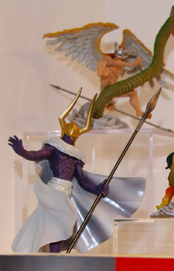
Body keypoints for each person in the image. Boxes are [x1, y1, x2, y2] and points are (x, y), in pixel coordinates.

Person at [8, 91, 109, 253]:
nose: (70, 137)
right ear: (64, 132)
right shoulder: (54, 148)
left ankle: (54, 256)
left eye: (72, 136)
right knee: (60, 222)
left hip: (66, 191)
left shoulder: (75, 156)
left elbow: (82, 180)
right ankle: (53, 255)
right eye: (68, 134)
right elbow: (36, 155)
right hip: (54, 189)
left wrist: (97, 189)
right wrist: (22, 152)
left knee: (61, 225)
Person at [97, 45, 144, 116]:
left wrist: (111, 101)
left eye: (121, 55)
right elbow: (114, 63)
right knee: (106, 73)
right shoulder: (107, 59)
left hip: (112, 90)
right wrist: (131, 64)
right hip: (105, 88)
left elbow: (114, 81)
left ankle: (139, 112)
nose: (118, 57)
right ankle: (108, 100)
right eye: (118, 54)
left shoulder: (120, 68)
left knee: (133, 93)